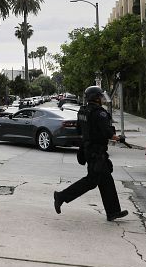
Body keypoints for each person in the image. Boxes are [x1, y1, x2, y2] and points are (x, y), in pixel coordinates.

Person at [53, 86, 128, 221]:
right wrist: (119, 138)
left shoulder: (83, 111)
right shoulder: (100, 113)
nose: (101, 99)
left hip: (88, 150)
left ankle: (113, 212)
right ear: (96, 98)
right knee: (91, 181)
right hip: (97, 152)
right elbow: (108, 133)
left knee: (106, 181)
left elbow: (78, 131)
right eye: (100, 96)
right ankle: (61, 196)